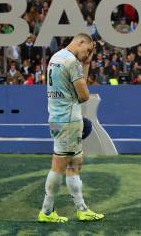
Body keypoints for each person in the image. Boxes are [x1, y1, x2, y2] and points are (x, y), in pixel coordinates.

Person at [38, 33, 104, 223]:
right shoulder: (71, 62)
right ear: (81, 41)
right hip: (68, 120)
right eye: (88, 49)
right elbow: (83, 96)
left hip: (57, 117)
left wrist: (87, 62)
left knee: (75, 162)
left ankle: (81, 209)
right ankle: (47, 211)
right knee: (60, 166)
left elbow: (72, 83)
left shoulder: (56, 58)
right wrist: (83, 67)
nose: (87, 54)